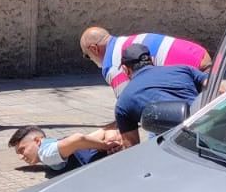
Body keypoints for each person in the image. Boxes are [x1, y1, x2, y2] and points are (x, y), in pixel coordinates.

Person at [113, 42, 208, 146]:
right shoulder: (184, 69)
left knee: (153, 133)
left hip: (180, 144)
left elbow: (131, 147)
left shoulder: (123, 102)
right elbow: (219, 89)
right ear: (152, 60)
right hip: (206, 125)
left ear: (125, 69)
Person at [80, 26, 212, 94]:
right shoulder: (123, 42)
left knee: (157, 124)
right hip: (200, 55)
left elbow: (128, 101)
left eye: (87, 56)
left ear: (94, 49)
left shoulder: (112, 65)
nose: (90, 59)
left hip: (190, 72)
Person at [9, 124, 120, 175]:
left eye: (22, 150)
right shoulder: (55, 145)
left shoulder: (46, 154)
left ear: (37, 141)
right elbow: (107, 129)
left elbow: (78, 139)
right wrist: (111, 140)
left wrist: (105, 146)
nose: (21, 157)